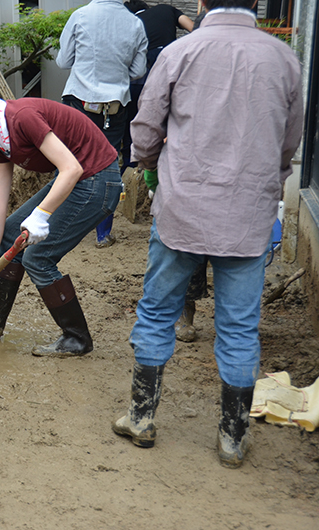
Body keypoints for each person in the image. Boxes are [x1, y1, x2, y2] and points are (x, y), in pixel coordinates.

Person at [111, 0, 302, 468]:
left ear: (201, 4)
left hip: (183, 210)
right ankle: (232, 437)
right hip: (248, 214)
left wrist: (152, 167)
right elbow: (289, 140)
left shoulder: (181, 52)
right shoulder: (283, 58)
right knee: (239, 326)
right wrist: (269, 180)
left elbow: (146, 125)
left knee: (157, 311)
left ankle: (140, 417)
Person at [0, 74, 122, 357]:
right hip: (76, 177)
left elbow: (71, 168)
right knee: (10, 232)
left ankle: (76, 338)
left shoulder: (21, 117)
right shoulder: (0, 141)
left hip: (97, 179)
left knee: (38, 256)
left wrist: (41, 215)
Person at [56, 0, 148, 248]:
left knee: (67, 160)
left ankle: (55, 227)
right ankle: (103, 234)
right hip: (114, 108)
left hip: (79, 101)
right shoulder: (135, 23)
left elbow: (64, 61)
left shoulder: (80, 15)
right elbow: (139, 70)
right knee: (107, 167)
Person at [121, 0, 193, 175]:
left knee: (133, 123)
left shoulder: (130, 22)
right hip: (172, 70)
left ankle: (131, 170)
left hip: (140, 78)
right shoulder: (166, 9)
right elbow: (194, 29)